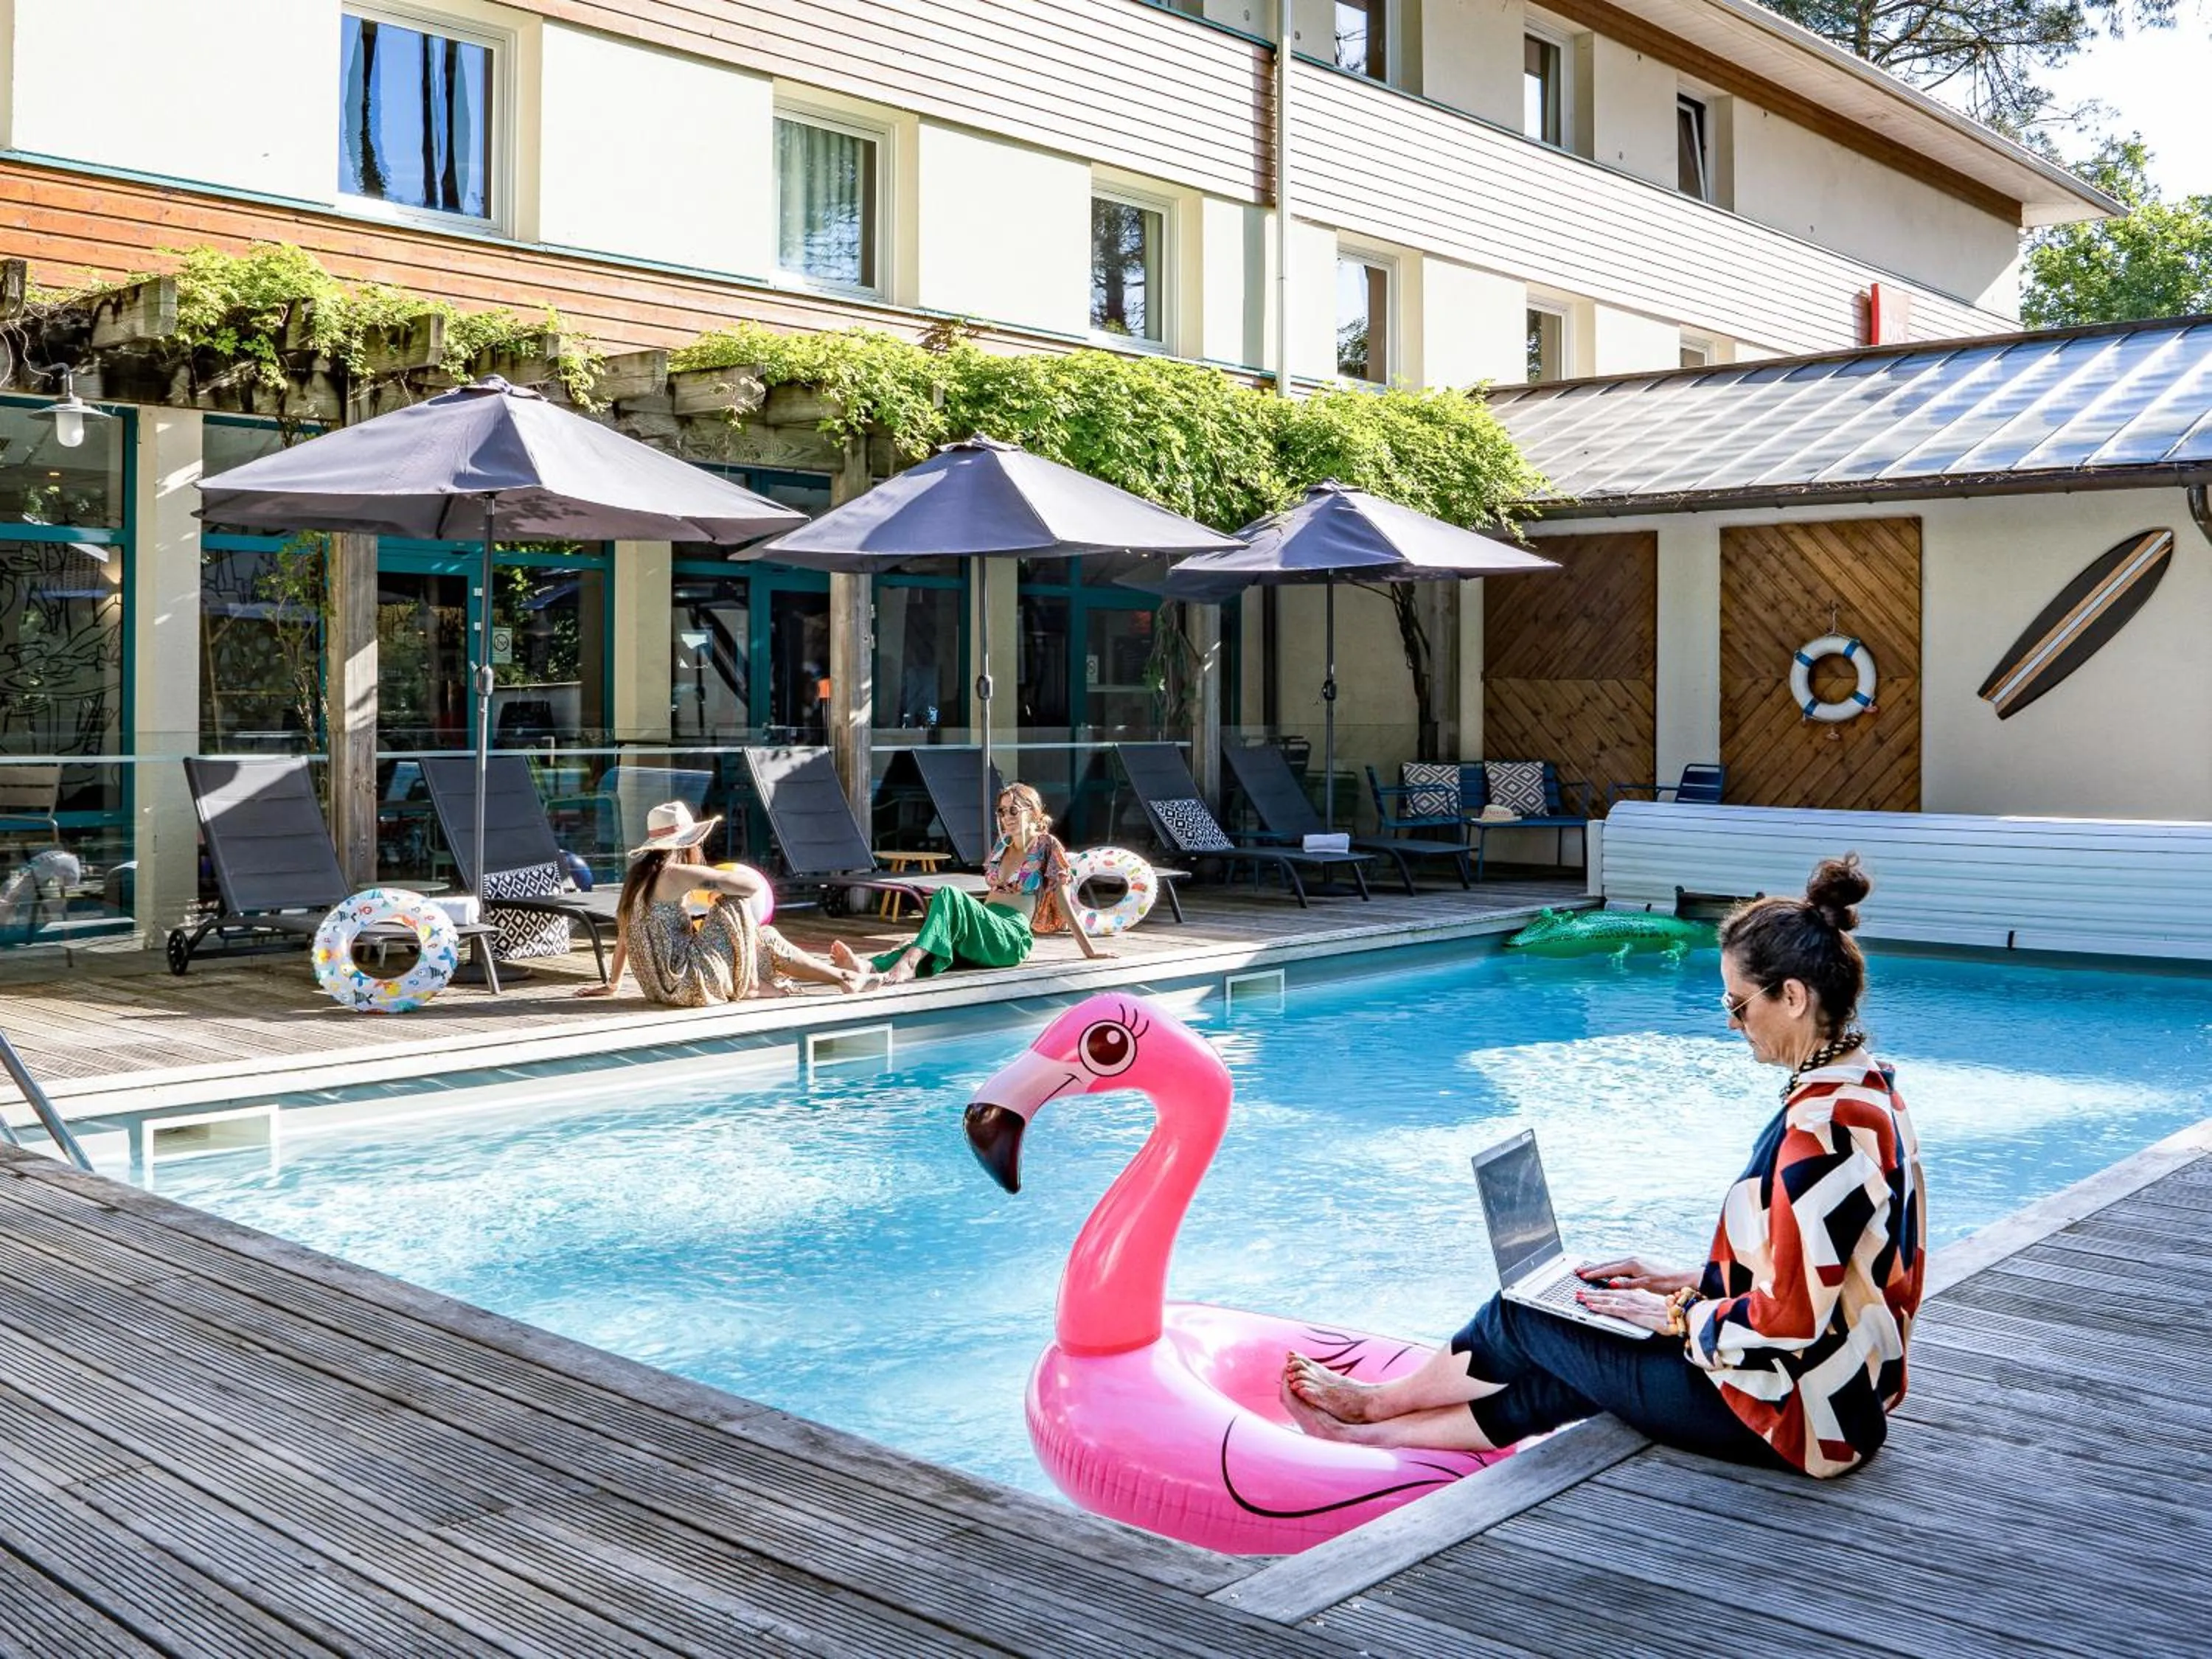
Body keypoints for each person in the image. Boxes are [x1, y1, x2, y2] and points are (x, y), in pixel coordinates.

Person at [1281, 855, 1925, 1479]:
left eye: (1736, 1005)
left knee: (1527, 1313)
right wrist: (1679, 1279)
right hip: (1840, 1400)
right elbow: (1825, 1271)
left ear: (1790, 996)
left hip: (1797, 1416)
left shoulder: (1826, 1130)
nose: (1733, 1025)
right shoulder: (1866, 1090)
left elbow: (1789, 1323)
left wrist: (1678, 1314)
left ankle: (1375, 1404)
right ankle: (1377, 1431)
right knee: (1587, 1336)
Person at [574, 802, 874, 1004]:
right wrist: (717, 892)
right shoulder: (677, 873)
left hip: (659, 990)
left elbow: (626, 937)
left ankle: (843, 977)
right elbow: (750, 885)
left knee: (765, 938)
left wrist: (613, 984)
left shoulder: (637, 880)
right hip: (689, 985)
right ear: (688, 842)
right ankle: (758, 985)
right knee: (734, 902)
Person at [832, 784, 1110, 984]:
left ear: (1034, 813)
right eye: (1001, 812)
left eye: (1014, 810)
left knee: (950, 895)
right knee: (938, 940)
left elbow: (1064, 902)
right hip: (987, 930)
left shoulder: (1047, 846)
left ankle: (910, 963)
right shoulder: (1002, 846)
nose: (1006, 818)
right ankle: (868, 966)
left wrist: (1090, 951)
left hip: (1010, 938)